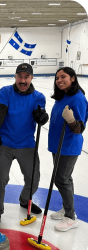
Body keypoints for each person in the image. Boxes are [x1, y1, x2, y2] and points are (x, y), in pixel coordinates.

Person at [0, 63, 49, 230]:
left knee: (34, 179)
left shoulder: (38, 96)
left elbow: (40, 114)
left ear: (31, 78)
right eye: (19, 76)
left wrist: (41, 117)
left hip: (27, 144)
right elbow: (0, 112)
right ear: (15, 77)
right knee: (0, 179)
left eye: (26, 77)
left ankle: (24, 200)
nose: (23, 80)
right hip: (5, 143)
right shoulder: (5, 92)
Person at [48, 67, 88, 232]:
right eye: (57, 78)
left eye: (63, 77)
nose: (59, 80)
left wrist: (71, 120)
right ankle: (67, 208)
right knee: (66, 178)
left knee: (61, 179)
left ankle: (71, 217)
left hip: (68, 146)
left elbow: (79, 128)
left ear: (73, 78)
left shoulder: (78, 99)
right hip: (57, 145)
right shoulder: (63, 96)